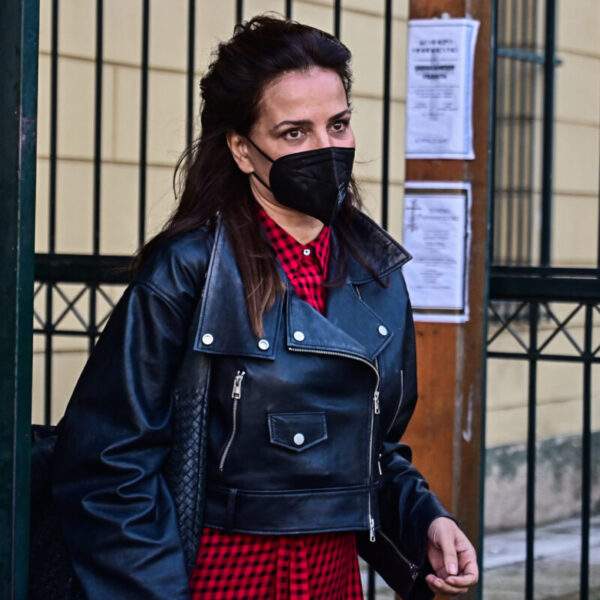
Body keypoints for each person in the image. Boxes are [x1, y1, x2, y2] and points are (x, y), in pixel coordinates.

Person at [52, 14, 479, 600]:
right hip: (215, 578)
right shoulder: (188, 270)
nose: (326, 148)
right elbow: (109, 463)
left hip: (331, 580)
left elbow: (374, 450)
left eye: (338, 124)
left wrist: (425, 520)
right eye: (294, 133)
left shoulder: (376, 271)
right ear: (242, 150)